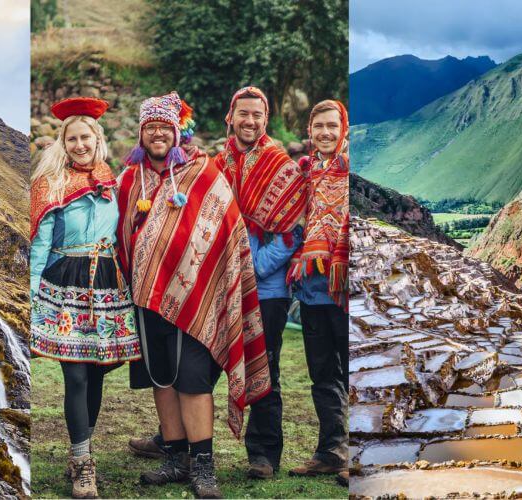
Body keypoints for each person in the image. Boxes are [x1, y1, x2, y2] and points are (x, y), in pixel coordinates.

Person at [115, 91, 270, 499]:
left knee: (193, 381)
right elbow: (118, 235)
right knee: (161, 377)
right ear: (142, 133)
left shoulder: (202, 173)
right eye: (151, 129)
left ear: (176, 132)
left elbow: (229, 228)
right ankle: (176, 457)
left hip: (195, 295)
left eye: (165, 128)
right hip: (145, 298)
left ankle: (204, 465)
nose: (158, 135)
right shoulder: (130, 179)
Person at [25, 97, 141, 499]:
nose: (79, 144)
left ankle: (81, 450)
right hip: (65, 281)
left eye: (85, 137)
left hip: (107, 282)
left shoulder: (116, 182)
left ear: (98, 139)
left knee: (95, 371)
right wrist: (33, 295)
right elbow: (39, 244)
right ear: (63, 142)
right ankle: (82, 462)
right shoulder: (51, 184)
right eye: (72, 138)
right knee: (74, 374)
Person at [206, 86, 309, 479]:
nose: (250, 121)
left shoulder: (280, 166)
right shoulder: (216, 167)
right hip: (219, 287)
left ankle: (263, 454)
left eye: (257, 115)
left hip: (267, 291)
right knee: (200, 367)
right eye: (243, 113)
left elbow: (288, 238)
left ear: (266, 120)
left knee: (266, 369)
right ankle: (175, 439)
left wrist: (246, 272)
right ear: (229, 117)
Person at [285, 99, 351, 481]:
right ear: (310, 131)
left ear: (343, 129)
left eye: (332, 126)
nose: (325, 133)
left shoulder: (350, 175)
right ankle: (332, 452)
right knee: (323, 375)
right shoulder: (305, 174)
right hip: (311, 290)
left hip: (343, 291)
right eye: (318, 127)